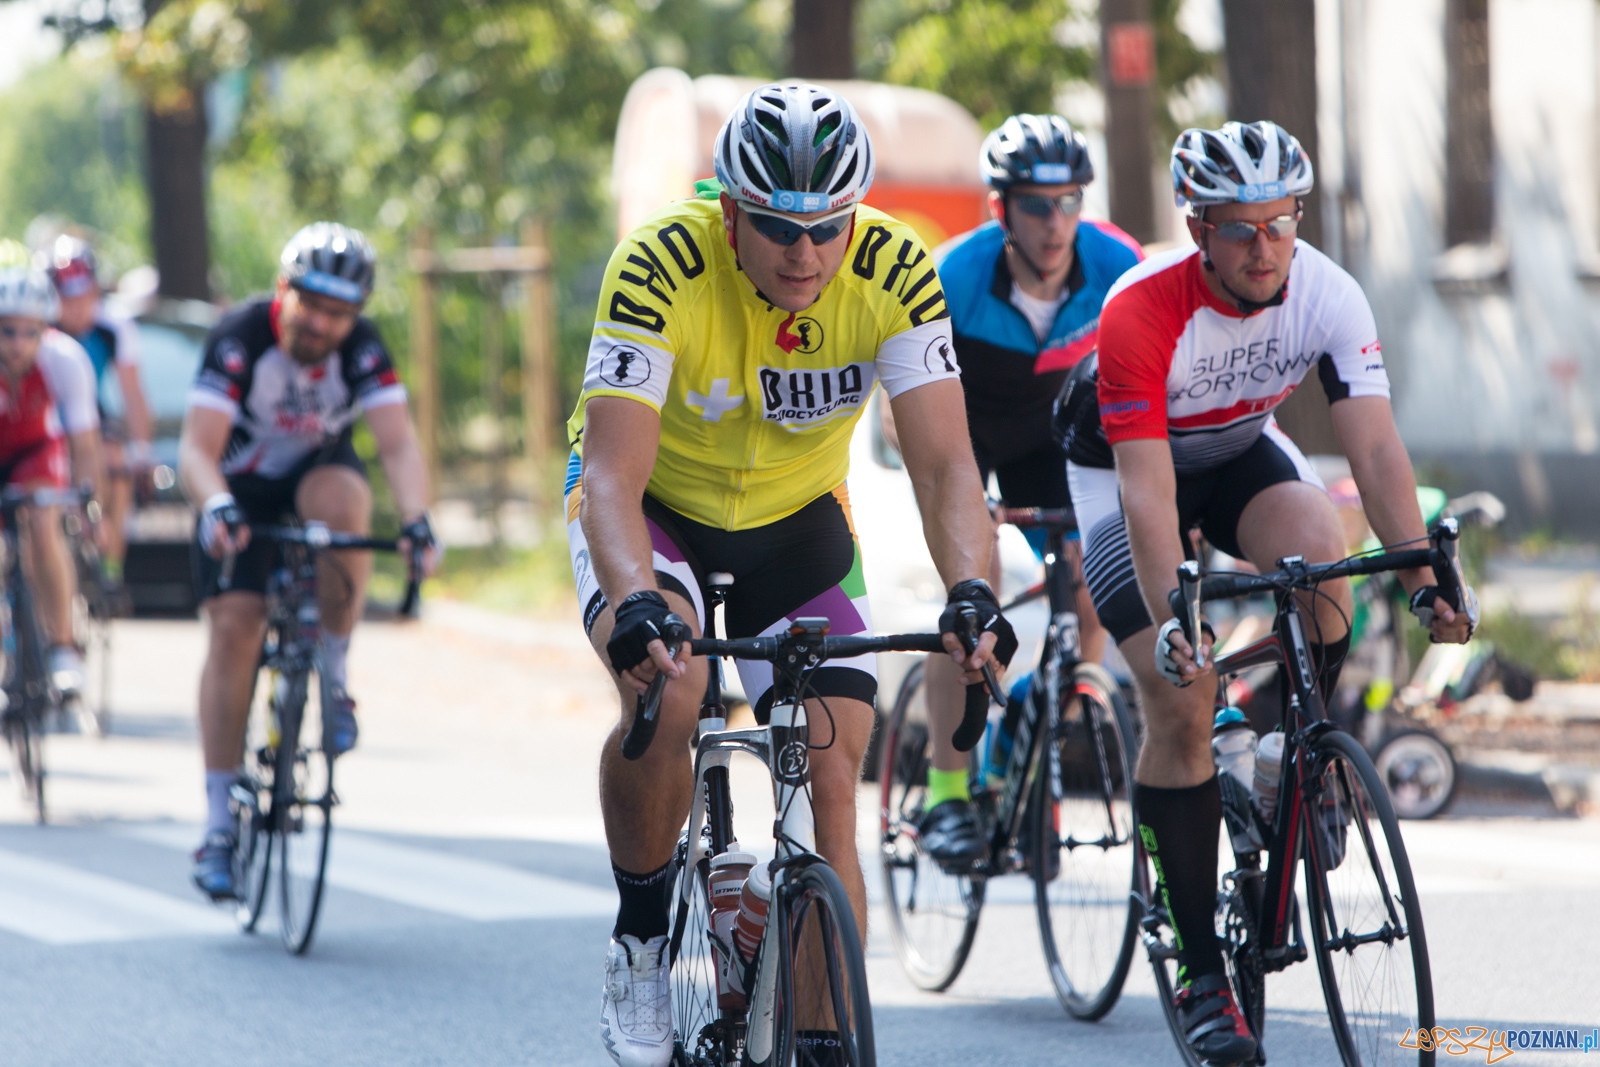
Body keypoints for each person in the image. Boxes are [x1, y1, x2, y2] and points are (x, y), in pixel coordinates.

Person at [567, 83, 1014, 1067]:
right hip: (656, 512)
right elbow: (609, 475)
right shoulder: (658, 264)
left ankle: (814, 1027)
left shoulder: (895, 267)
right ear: (728, 208)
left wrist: (969, 591)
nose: (803, 251)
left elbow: (943, 463)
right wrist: (638, 600)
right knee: (673, 685)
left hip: (795, 525)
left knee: (830, 775)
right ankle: (642, 942)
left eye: (825, 226)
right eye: (775, 225)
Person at [1060, 121, 1476, 1065]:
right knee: (1176, 694)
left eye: (1281, 224)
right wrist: (1180, 620)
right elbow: (1149, 495)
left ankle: (1279, 743)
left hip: (1240, 447)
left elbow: (1373, 448)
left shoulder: (1326, 290)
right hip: (1129, 473)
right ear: (1199, 229)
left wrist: (1422, 577)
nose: (1264, 248)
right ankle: (1201, 969)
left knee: (1324, 565)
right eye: (1241, 229)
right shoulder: (1141, 310)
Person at [908, 113, 1142, 867]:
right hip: (968, 429)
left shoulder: (1117, 263)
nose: (1056, 222)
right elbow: (914, 408)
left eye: (1070, 201)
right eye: (1037, 205)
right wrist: (968, 503)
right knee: (971, 596)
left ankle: (1024, 754)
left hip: (1059, 434)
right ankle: (947, 794)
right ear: (1000, 209)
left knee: (1094, 596)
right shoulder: (953, 276)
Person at [179, 222, 438, 901]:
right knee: (235, 627)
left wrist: (416, 520)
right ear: (282, 291)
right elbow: (196, 450)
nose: (322, 323)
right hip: (241, 490)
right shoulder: (240, 339)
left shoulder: (363, 350)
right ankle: (215, 824)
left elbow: (398, 446)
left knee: (347, 498)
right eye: (311, 304)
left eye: (339, 312)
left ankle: (333, 663)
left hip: (316, 477)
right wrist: (215, 506)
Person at [0, 265, 103, 694]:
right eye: (8, 332)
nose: (19, 344)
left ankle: (63, 646)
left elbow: (84, 441)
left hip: (34, 452)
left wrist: (87, 500)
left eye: (31, 332)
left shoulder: (66, 360)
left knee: (44, 527)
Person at [41, 235, 155, 591]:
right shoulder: (39, 328)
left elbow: (133, 395)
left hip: (90, 410)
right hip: (46, 411)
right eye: (67, 299)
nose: (76, 308)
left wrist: (142, 451)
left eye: (84, 297)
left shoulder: (114, 327)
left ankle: (108, 560)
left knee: (116, 461)